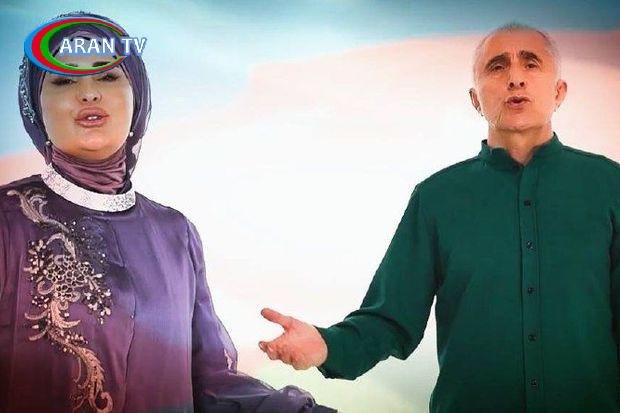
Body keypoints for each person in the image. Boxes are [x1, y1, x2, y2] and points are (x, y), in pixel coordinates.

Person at [259, 22, 620, 412]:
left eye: (531, 64)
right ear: (475, 99)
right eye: (497, 66)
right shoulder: (435, 198)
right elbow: (390, 318)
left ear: (559, 91)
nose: (515, 78)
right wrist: (327, 346)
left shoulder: (609, 186)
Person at [0, 11, 334, 413]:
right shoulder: (8, 222)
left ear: (136, 95)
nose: (88, 93)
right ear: (35, 106)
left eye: (108, 76)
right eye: (64, 80)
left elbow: (210, 382)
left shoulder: (176, 234)